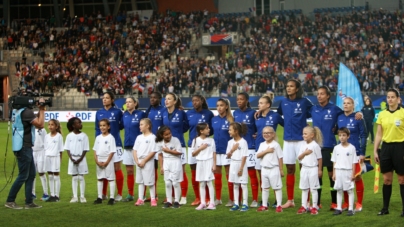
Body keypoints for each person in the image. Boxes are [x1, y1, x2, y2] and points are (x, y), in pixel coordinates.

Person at [310, 86, 362, 209]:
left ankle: (334, 203)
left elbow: (348, 113)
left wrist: (359, 113)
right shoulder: (313, 109)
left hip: (330, 146)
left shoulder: (335, 109)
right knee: (318, 175)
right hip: (315, 146)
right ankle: (316, 203)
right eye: (318, 94)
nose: (319, 96)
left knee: (331, 174)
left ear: (328, 96)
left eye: (322, 94)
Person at [277, 79, 313, 209]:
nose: (288, 88)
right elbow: (278, 116)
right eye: (287, 86)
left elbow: (314, 112)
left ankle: (306, 201)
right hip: (288, 141)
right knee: (290, 169)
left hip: (302, 140)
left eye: (291, 86)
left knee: (305, 169)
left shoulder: (304, 102)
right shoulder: (283, 102)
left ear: (297, 89)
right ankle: (290, 200)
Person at [5, 98, 46, 209]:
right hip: (24, 146)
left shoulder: (18, 111)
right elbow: (40, 124)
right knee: (23, 175)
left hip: (22, 145)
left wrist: (39, 110)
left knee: (31, 174)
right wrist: (42, 109)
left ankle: (29, 202)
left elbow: (33, 120)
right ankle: (10, 200)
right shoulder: (27, 112)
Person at [374, 88, 404, 216]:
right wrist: (375, 150)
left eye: (392, 97)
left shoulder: (403, 113)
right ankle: (385, 208)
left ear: (398, 99)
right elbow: (379, 134)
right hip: (386, 148)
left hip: (400, 147)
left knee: (402, 180)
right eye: (388, 97)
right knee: (387, 180)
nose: (390, 99)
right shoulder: (382, 114)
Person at [337, 97, 367, 211]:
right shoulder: (339, 117)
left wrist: (362, 152)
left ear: (353, 106)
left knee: (357, 177)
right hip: (342, 153)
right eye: (344, 103)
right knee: (344, 177)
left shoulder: (357, 117)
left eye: (348, 103)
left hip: (356, 153)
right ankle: (346, 203)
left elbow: (364, 135)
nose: (346, 105)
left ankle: (359, 203)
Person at [95, 91, 124, 201]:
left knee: (116, 168)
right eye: (103, 98)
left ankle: (119, 193)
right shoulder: (99, 113)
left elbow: (121, 126)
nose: (104, 99)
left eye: (107, 98)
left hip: (116, 144)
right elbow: (97, 129)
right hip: (102, 145)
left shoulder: (117, 112)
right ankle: (103, 193)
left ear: (112, 100)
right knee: (103, 167)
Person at [187, 95, 214, 206]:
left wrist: (204, 139)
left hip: (205, 146)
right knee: (195, 173)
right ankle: (198, 197)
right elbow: (184, 127)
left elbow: (211, 130)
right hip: (192, 145)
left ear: (202, 101)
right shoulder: (188, 113)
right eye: (193, 100)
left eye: (197, 100)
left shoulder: (208, 113)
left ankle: (208, 198)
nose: (195, 102)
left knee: (206, 174)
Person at [162, 92, 189, 204]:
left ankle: (183, 196)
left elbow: (186, 126)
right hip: (166, 146)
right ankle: (171, 197)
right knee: (169, 172)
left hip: (179, 145)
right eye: (165, 99)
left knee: (181, 171)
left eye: (169, 99)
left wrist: (177, 135)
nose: (166, 101)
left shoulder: (181, 113)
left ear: (174, 101)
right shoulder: (163, 113)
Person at [233, 92, 258, 208]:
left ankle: (255, 199)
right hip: (238, 148)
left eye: (241, 99)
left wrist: (258, 133)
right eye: (237, 99)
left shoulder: (253, 113)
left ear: (247, 101)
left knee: (252, 173)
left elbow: (259, 126)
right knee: (239, 173)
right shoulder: (235, 113)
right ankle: (239, 200)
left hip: (250, 147)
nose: (239, 101)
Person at [122, 97, 145, 202]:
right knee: (129, 171)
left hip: (139, 147)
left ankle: (142, 195)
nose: (128, 104)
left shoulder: (141, 114)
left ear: (135, 103)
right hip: (127, 146)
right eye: (126, 102)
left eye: (130, 102)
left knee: (141, 171)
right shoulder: (124, 115)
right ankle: (130, 194)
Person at [256, 126, 284, 213]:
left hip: (274, 169)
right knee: (265, 187)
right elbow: (258, 155)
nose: (266, 135)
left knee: (277, 187)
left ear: (273, 134)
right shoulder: (262, 145)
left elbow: (280, 157)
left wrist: (281, 169)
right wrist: (266, 151)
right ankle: (264, 205)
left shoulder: (276, 145)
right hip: (264, 169)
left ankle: (279, 205)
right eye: (264, 133)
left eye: (268, 133)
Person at [212, 98, 234, 206]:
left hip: (228, 152)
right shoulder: (214, 119)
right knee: (217, 176)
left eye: (221, 105)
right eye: (217, 105)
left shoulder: (231, 119)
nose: (219, 107)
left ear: (226, 106)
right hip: (216, 151)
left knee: (229, 176)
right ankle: (218, 199)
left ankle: (231, 199)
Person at [331, 127, 358, 216]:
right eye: (340, 135)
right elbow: (334, 161)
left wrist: (353, 174)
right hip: (338, 171)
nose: (341, 137)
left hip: (348, 171)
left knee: (349, 190)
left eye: (344, 135)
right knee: (339, 190)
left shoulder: (352, 148)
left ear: (348, 136)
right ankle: (339, 208)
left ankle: (350, 208)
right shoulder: (336, 148)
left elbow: (354, 162)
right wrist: (334, 173)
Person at [297, 126, 323, 215]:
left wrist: (319, 170)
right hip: (304, 169)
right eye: (303, 133)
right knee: (304, 189)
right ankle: (304, 206)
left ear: (312, 135)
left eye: (305, 134)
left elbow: (319, 158)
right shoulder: (302, 145)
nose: (303, 135)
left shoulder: (315, 146)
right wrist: (305, 153)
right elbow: (299, 158)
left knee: (313, 189)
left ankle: (315, 207)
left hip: (313, 169)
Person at [156, 126, 183, 209]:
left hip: (175, 161)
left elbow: (179, 152)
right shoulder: (160, 142)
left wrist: (168, 151)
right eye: (166, 135)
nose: (168, 136)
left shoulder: (175, 140)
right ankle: (169, 201)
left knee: (175, 182)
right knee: (167, 183)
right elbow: (160, 155)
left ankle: (177, 201)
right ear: (162, 135)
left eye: (169, 133)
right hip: (166, 162)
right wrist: (161, 167)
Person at [191, 123, 217, 210]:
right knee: (202, 183)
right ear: (201, 131)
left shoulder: (211, 141)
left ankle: (212, 203)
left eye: (208, 128)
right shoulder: (195, 140)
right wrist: (200, 148)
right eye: (207, 128)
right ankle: (202, 203)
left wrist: (214, 165)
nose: (209, 129)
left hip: (208, 162)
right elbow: (193, 154)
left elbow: (214, 153)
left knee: (209, 182)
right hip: (200, 162)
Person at [145, 91, 164, 202]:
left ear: (160, 99)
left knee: (165, 168)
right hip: (151, 142)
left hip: (161, 142)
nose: (152, 99)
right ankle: (154, 194)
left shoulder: (163, 110)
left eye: (155, 98)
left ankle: (169, 195)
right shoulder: (149, 110)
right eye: (151, 97)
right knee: (153, 169)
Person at [133, 119, 157, 207]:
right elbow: (135, 150)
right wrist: (136, 161)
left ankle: (153, 199)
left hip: (148, 161)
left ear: (148, 126)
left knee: (150, 181)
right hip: (139, 161)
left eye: (142, 124)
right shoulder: (139, 137)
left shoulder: (152, 137)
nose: (140, 126)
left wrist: (144, 161)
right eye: (140, 124)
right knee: (140, 181)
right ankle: (140, 198)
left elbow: (153, 151)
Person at [65, 117, 90, 203]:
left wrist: (80, 159)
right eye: (78, 123)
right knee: (74, 177)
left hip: (81, 159)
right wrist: (71, 158)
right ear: (73, 125)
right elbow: (67, 148)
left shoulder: (84, 136)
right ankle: (75, 196)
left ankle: (82, 196)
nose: (80, 124)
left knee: (81, 177)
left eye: (80, 123)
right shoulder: (69, 136)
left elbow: (85, 149)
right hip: (72, 158)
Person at [93, 119, 116, 205]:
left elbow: (112, 151)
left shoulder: (111, 138)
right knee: (100, 178)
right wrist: (96, 161)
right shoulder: (98, 138)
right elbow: (95, 150)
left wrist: (107, 162)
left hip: (108, 160)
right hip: (99, 160)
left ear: (108, 127)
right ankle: (99, 197)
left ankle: (112, 198)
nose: (102, 127)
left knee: (110, 178)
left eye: (104, 125)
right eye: (101, 126)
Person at [227, 122, 249, 212]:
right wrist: (232, 150)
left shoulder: (243, 142)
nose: (229, 131)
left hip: (241, 164)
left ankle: (245, 203)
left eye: (230, 130)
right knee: (235, 184)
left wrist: (241, 168)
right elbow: (228, 156)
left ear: (236, 131)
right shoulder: (230, 142)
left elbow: (244, 156)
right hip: (233, 164)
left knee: (243, 184)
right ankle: (236, 203)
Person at [44, 119, 64, 202]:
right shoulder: (46, 136)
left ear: (56, 126)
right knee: (50, 176)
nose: (50, 126)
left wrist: (60, 159)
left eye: (52, 125)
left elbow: (61, 149)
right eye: (49, 124)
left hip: (55, 157)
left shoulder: (59, 136)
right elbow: (45, 147)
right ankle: (52, 195)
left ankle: (57, 195)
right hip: (47, 157)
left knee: (56, 176)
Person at [32, 126, 49, 201]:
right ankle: (32, 193)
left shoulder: (43, 130)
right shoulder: (30, 129)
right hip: (32, 152)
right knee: (32, 173)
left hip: (41, 152)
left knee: (41, 173)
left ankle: (45, 193)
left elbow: (46, 141)